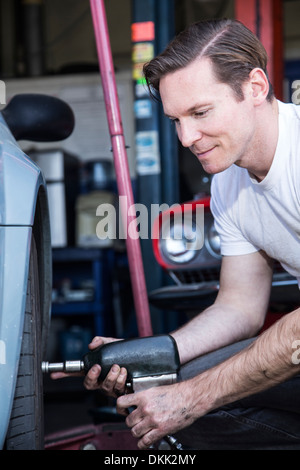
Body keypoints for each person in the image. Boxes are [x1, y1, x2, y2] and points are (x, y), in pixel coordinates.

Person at [53, 18, 300, 450]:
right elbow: (240, 307)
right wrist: (151, 354)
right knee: (161, 391)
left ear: (256, 87)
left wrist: (193, 398)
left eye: (201, 113)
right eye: (176, 120)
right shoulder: (229, 180)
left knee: (191, 397)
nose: (186, 138)